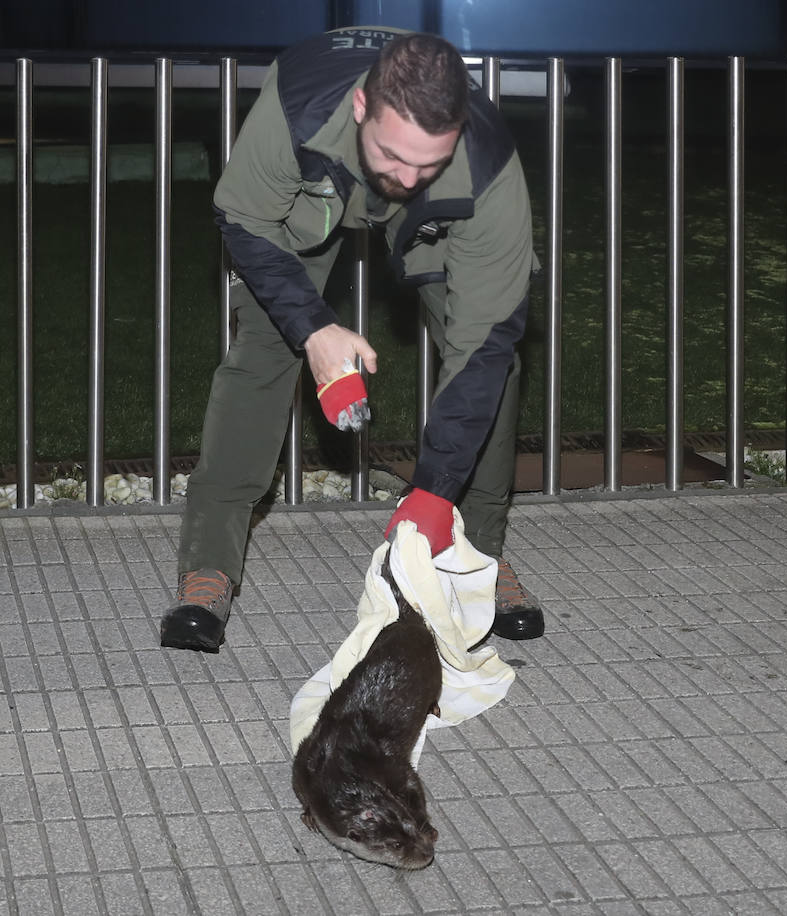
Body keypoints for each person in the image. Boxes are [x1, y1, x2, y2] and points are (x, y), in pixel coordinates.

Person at [159, 26, 545, 652]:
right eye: (395, 157)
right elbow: (245, 221)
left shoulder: (487, 166)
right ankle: (209, 565)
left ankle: (480, 557)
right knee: (265, 345)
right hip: (313, 189)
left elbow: (483, 348)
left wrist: (433, 493)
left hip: (447, 220)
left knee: (488, 366)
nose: (408, 178)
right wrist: (314, 329)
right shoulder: (297, 107)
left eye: (429, 162)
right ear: (363, 107)